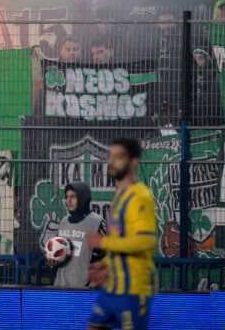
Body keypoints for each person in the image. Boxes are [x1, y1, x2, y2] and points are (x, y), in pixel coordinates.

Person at [86, 138, 158, 330]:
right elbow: (122, 240)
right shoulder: (119, 196)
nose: (111, 161)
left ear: (134, 162)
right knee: (93, 326)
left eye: (119, 157)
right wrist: (105, 263)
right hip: (112, 287)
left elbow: (145, 241)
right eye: (111, 156)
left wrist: (103, 242)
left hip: (134, 289)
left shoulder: (140, 196)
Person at [46, 182, 106, 289]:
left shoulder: (96, 223)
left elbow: (108, 256)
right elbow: (61, 253)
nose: (68, 200)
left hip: (83, 289)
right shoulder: (64, 221)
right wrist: (53, 260)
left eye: (73, 197)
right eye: (67, 197)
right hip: (60, 286)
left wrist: (95, 281)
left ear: (83, 198)